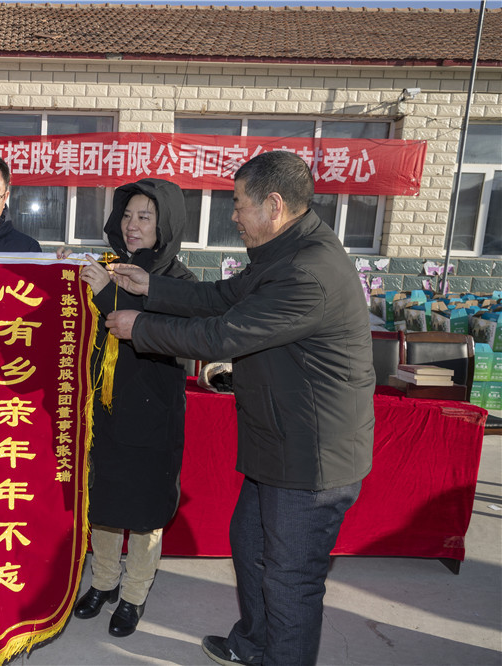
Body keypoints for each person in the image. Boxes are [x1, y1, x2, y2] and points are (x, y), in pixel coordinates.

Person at [104, 150, 375, 666]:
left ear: (273, 206)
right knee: (249, 545)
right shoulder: (284, 250)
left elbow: (222, 335)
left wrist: (141, 327)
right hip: (279, 439)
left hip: (311, 457)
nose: (233, 215)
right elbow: (223, 296)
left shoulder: (307, 271)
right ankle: (253, 644)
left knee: (291, 579)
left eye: (238, 204)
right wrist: (151, 286)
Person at [75, 179, 195, 638]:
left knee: (144, 509)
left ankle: (134, 593)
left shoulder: (181, 284)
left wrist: (107, 292)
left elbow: (152, 332)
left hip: (152, 413)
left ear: (166, 225)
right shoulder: (109, 267)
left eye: (145, 217)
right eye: (127, 215)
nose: (131, 225)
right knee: (105, 500)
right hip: (105, 409)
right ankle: (104, 581)